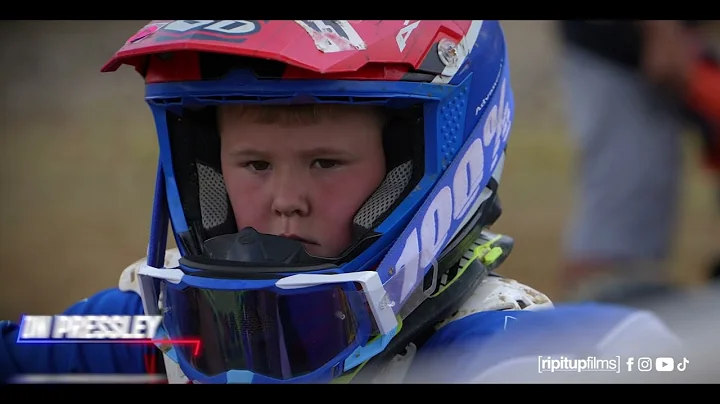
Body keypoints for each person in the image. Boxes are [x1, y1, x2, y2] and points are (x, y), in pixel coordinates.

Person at [0, 20, 684, 384]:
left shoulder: (483, 348)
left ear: (434, 165)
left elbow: (634, 355)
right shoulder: (167, 333)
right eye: (254, 164)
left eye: (325, 163)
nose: (285, 201)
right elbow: (25, 345)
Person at [556, 20, 716, 302]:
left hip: (677, 44)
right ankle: (595, 327)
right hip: (626, 49)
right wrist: (664, 33)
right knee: (621, 231)